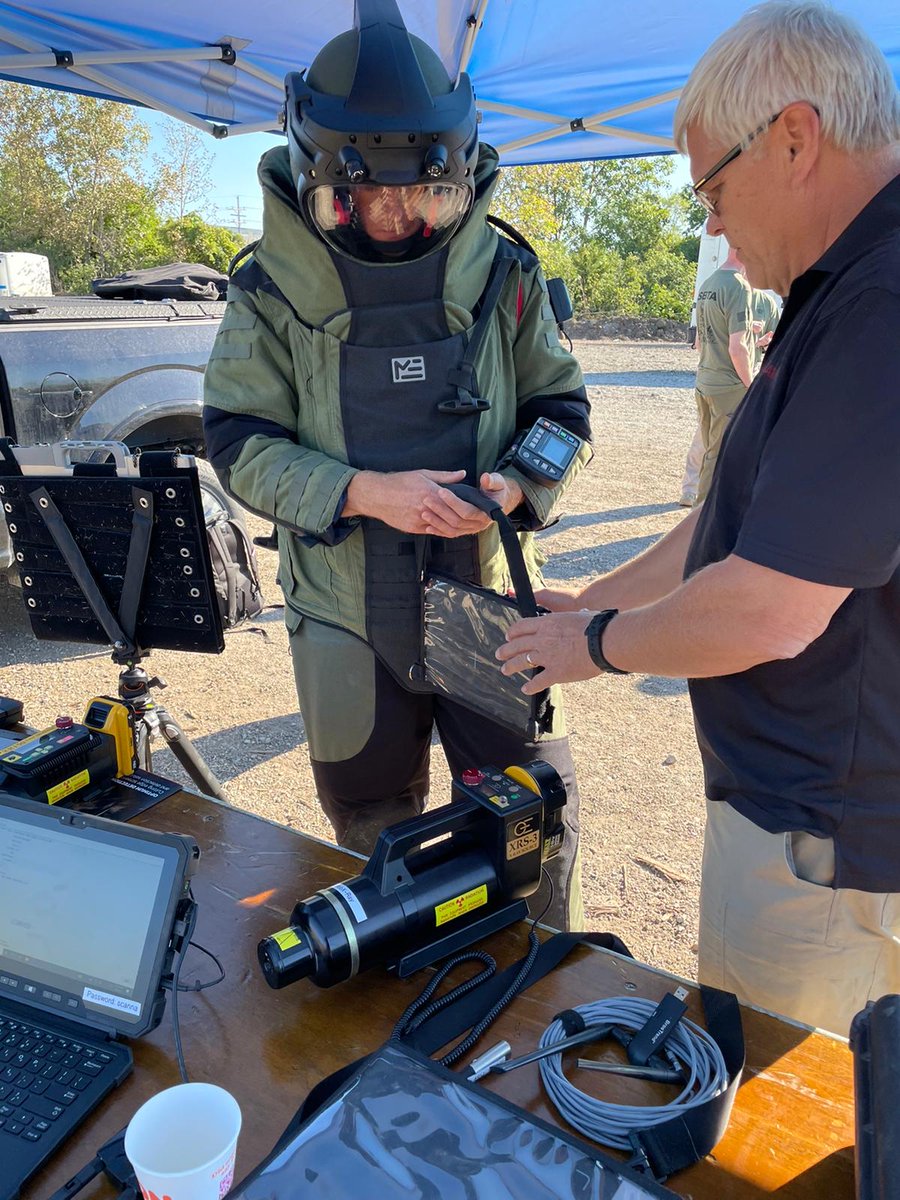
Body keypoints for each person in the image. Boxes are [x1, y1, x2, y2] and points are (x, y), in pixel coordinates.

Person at [497, 0, 900, 1034]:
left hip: (831, 849)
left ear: (796, 139)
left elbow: (770, 608)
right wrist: (603, 595)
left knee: (782, 1136)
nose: (709, 221)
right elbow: (736, 516)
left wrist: (599, 643)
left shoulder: (877, 307)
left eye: (713, 185)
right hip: (820, 822)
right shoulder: (840, 291)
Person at [202, 0, 591, 930]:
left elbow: (562, 409)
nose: (390, 218)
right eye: (362, 197)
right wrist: (365, 493)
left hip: (483, 597)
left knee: (530, 824)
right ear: (315, 176)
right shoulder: (267, 290)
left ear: (453, 175)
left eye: (418, 195)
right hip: (343, 607)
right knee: (369, 835)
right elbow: (238, 442)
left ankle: (538, 1006)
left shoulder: (506, 274)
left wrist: (517, 485)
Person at [686, 244, 755, 504]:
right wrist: (752, 385)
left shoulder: (709, 283)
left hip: (705, 381)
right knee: (720, 458)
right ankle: (700, 520)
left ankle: (701, 515)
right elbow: (738, 348)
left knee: (709, 453)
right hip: (728, 386)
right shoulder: (739, 286)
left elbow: (700, 342)